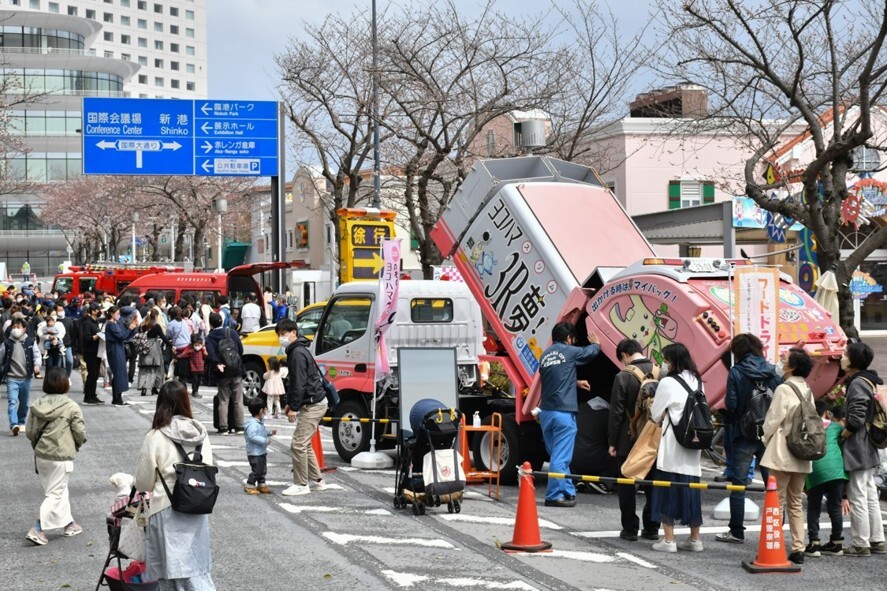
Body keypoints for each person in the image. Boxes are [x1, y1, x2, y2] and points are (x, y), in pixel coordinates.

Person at [134, 381, 216, 589]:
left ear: (161, 403)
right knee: (195, 569)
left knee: (170, 574)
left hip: (166, 508)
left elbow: (143, 482)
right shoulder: (201, 434)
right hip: (197, 506)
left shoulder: (155, 436)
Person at [716, 333, 782, 544]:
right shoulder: (773, 371)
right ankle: (775, 531)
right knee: (772, 485)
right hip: (768, 435)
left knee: (739, 484)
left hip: (743, 435)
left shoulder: (736, 372)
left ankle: (736, 531)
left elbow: (732, 404)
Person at [760, 348, 815, 564]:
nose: (781, 360)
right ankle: (798, 548)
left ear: (792, 367)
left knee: (776, 501)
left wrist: (765, 438)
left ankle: (774, 547)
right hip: (802, 453)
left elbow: (773, 420)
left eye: (784, 359)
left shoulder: (784, 388)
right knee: (795, 502)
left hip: (783, 451)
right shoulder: (807, 389)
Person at [538, 321, 600, 507]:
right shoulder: (570, 351)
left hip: (546, 412)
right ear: (568, 338)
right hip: (563, 412)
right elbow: (590, 353)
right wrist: (596, 343)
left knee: (556, 453)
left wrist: (576, 382)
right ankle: (554, 495)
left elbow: (557, 377)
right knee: (561, 456)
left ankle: (568, 490)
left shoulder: (545, 355)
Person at [648, 343, 704, 553]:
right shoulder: (697, 379)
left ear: (672, 361)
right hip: (694, 441)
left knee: (668, 488)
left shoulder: (668, 381)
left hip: (674, 441)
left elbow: (655, 414)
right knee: (692, 488)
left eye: (665, 359)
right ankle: (695, 539)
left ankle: (669, 540)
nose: (663, 363)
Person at [24, 368, 87, 545]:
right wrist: (75, 444)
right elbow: (80, 433)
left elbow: (29, 432)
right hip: (61, 456)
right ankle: (38, 528)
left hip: (42, 455)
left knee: (57, 490)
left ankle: (69, 523)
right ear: (65, 384)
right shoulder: (71, 406)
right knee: (55, 493)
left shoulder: (37, 405)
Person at [607, 338, 660, 540]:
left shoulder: (623, 376)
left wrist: (612, 442)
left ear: (624, 356)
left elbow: (616, 413)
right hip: (653, 437)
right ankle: (652, 527)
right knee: (653, 483)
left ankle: (630, 529)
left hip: (627, 439)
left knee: (627, 483)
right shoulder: (660, 373)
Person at [839, 341, 886, 557]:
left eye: (845, 354)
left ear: (854, 360)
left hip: (858, 444)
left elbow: (856, 418)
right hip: (870, 443)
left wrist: (843, 435)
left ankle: (860, 543)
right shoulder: (870, 380)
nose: (842, 356)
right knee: (868, 492)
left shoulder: (857, 383)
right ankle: (877, 539)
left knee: (857, 492)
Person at [276, 319, 329, 496]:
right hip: (314, 401)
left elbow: (299, 382)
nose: (281, 338)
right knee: (304, 444)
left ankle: (300, 484)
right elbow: (295, 382)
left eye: (283, 334)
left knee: (298, 444)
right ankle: (318, 480)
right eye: (279, 335)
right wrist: (291, 403)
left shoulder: (297, 353)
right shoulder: (297, 350)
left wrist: (294, 407)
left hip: (312, 403)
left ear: (293, 333)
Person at [805, 402, 848, 557]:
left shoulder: (807, 426)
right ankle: (837, 544)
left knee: (814, 507)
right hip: (836, 470)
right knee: (835, 506)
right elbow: (844, 441)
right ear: (826, 413)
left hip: (815, 469)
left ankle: (814, 544)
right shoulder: (836, 427)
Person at [1, 317, 42, 434]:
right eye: (13, 327)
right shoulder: (7, 343)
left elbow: (37, 355)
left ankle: (21, 421)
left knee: (24, 402)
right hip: (11, 377)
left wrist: (37, 365)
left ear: (24, 329)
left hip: (26, 378)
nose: (15, 329)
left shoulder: (30, 341)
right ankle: (14, 424)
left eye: (18, 327)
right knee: (12, 401)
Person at [205, 312, 245, 434]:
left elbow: (211, 354)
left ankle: (223, 427)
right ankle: (239, 426)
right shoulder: (232, 332)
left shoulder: (210, 337)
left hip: (222, 372)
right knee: (238, 400)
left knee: (223, 400)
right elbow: (241, 350)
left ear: (210, 324)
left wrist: (218, 363)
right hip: (236, 370)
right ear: (222, 321)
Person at [104, 305, 139, 407]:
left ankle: (116, 398)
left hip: (117, 349)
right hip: (115, 351)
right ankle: (118, 399)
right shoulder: (111, 325)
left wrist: (131, 328)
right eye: (117, 313)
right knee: (119, 373)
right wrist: (130, 328)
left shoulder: (113, 324)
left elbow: (123, 336)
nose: (119, 315)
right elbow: (121, 336)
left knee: (118, 374)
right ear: (112, 314)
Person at [243, 397, 276, 495]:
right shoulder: (253, 424)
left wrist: (269, 433)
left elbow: (262, 432)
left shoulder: (259, 422)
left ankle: (261, 484)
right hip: (254, 452)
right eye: (265, 409)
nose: (265, 411)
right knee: (257, 470)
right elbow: (252, 437)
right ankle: (249, 484)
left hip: (260, 451)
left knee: (262, 469)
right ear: (261, 410)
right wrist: (265, 441)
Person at [137, 309, 167, 397]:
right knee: (156, 369)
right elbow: (163, 337)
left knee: (144, 369)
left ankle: (143, 388)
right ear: (156, 316)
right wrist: (171, 345)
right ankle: (154, 388)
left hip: (144, 347)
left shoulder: (142, 326)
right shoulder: (156, 326)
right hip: (154, 348)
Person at [80, 304, 105, 404]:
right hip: (90, 352)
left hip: (97, 351)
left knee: (95, 375)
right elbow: (86, 338)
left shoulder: (96, 322)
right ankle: (88, 396)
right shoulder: (87, 323)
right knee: (92, 374)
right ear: (93, 311)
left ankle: (93, 395)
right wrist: (97, 336)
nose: (100, 312)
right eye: (98, 310)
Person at [177, 333, 208, 399]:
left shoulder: (202, 350)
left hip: (201, 368)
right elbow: (184, 354)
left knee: (199, 381)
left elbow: (205, 357)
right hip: (194, 369)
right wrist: (177, 356)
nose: (197, 346)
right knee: (195, 380)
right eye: (195, 345)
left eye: (198, 345)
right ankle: (195, 392)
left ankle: (196, 391)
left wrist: (206, 353)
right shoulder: (191, 350)